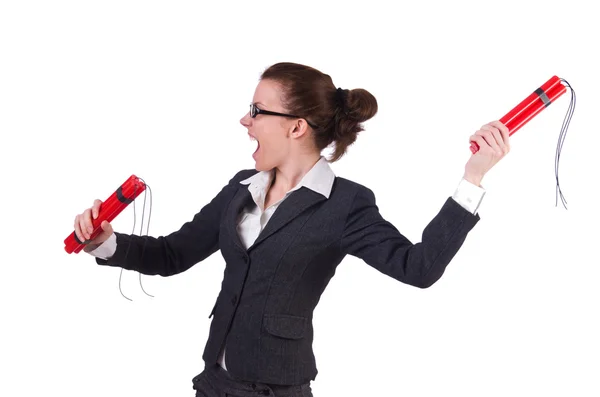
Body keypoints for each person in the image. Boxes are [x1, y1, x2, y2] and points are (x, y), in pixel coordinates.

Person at [73, 62, 510, 396]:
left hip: (275, 390)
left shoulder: (346, 204)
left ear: (297, 126)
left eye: (256, 111)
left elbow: (418, 268)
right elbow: (172, 255)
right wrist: (104, 242)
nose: (245, 121)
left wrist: (472, 179)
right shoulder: (240, 188)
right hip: (213, 383)